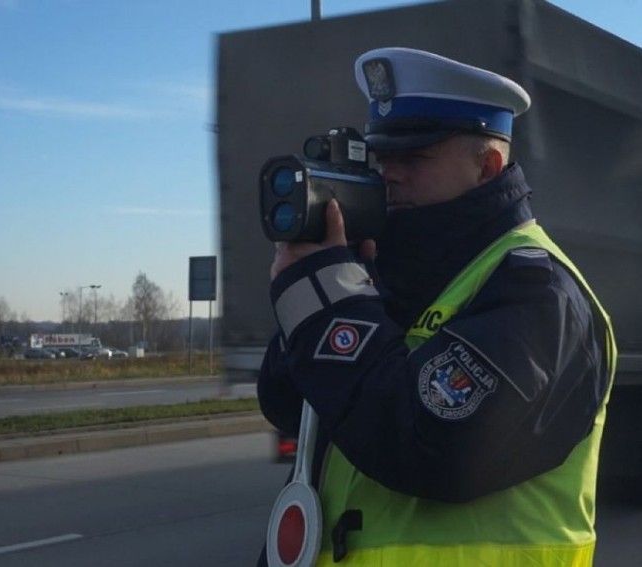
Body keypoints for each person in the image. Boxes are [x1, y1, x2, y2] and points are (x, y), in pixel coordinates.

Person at [258, 47, 616, 566]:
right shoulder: (392, 272)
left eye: (414, 157)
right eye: (382, 158)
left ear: (488, 166)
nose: (390, 175)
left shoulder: (539, 291)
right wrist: (325, 284)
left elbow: (434, 452)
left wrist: (325, 299)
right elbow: (287, 404)